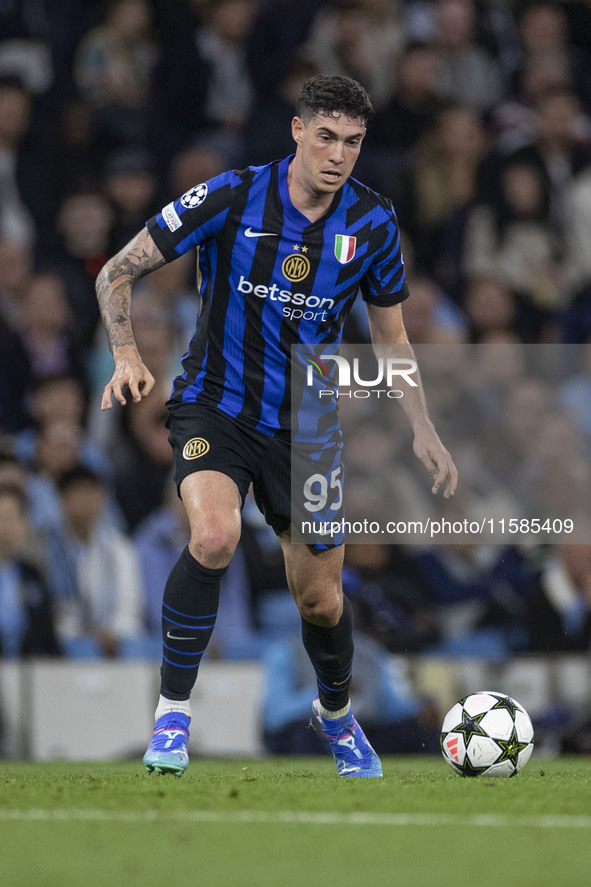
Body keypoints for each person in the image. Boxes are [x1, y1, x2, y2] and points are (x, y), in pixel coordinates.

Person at [96, 75, 457, 779]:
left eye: (352, 142)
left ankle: (337, 716)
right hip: (215, 405)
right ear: (296, 131)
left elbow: (392, 338)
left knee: (320, 599)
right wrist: (126, 352)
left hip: (308, 427)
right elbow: (117, 269)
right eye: (325, 136)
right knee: (213, 534)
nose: (338, 154)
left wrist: (421, 425)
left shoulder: (373, 224)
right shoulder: (232, 194)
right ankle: (172, 716)